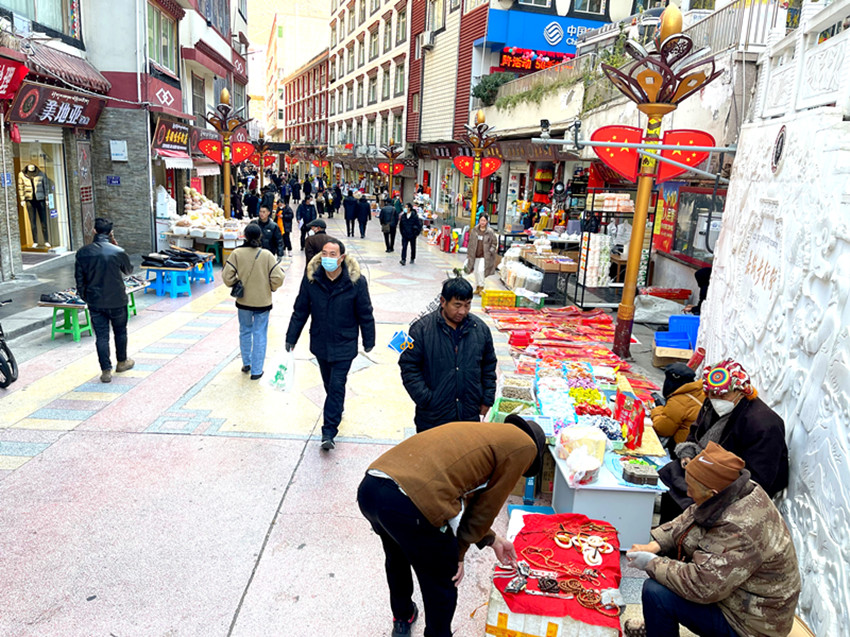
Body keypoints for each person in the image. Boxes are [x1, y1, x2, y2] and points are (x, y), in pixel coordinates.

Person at [357, 417, 546, 637]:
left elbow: (463, 495)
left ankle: (402, 617)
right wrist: (459, 553)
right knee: (442, 581)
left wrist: (492, 540)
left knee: (397, 555)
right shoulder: (525, 447)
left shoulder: (485, 434)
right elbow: (485, 509)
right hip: (409, 503)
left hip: (371, 489)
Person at [624, 442, 800, 637]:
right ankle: (658, 623)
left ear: (712, 493)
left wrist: (652, 563)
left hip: (751, 623)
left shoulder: (739, 527)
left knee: (656, 591)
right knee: (670, 566)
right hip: (735, 594)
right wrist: (654, 545)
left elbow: (702, 586)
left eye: (691, 489)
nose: (688, 493)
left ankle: (659, 624)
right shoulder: (733, 488)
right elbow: (692, 517)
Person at [658, 358, 789, 523]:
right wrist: (688, 454)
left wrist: (712, 477)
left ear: (741, 391)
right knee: (671, 476)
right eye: (711, 393)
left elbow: (759, 479)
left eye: (722, 394)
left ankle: (680, 534)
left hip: (734, 483)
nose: (715, 398)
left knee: (689, 497)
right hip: (707, 466)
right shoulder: (712, 403)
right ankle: (667, 532)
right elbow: (696, 433)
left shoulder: (763, 424)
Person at [285, 238, 375, 450]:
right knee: (329, 383)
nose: (327, 258)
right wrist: (291, 337)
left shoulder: (356, 282)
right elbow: (300, 310)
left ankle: (328, 431)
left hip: (345, 343)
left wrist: (369, 339)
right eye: (324, 253)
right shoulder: (312, 280)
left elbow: (365, 313)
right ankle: (336, 407)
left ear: (341, 258)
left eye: (332, 254)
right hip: (321, 342)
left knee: (336, 384)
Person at [399, 277, 498, 432]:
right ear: (443, 301)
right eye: (457, 305)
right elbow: (408, 365)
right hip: (433, 417)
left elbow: (489, 366)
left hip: (468, 415)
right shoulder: (420, 329)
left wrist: (487, 399)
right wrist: (426, 399)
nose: (462, 311)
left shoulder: (480, 329)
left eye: (467, 305)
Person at [74, 217, 135, 383]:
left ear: (94, 231)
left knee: (101, 336)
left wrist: (86, 296)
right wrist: (116, 244)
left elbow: (79, 279)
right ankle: (122, 362)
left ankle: (106, 370)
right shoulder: (118, 251)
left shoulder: (83, 252)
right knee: (120, 331)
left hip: (95, 300)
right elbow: (128, 270)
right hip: (117, 299)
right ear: (111, 232)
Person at [222, 224, 285, 380]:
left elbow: (226, 277)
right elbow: (278, 277)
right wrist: (270, 287)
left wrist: (237, 283)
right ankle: (257, 371)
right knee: (260, 334)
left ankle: (247, 363)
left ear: (245, 236)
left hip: (243, 301)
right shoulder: (267, 255)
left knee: (245, 330)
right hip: (262, 301)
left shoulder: (237, 253)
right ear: (260, 236)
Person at [650, 363, 705, 453]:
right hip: (700, 442)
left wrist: (657, 409)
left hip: (683, 447)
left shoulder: (679, 401)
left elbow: (662, 429)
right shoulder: (699, 390)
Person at [464, 215, 498, 296]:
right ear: (479, 220)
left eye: (484, 220)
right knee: (475, 271)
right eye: (481, 220)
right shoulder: (474, 230)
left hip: (485, 255)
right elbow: (470, 243)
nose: (482, 222)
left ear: (487, 222)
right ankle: (478, 287)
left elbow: (494, 243)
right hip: (475, 255)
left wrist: (491, 251)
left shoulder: (490, 232)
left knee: (481, 270)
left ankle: (482, 287)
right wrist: (469, 253)